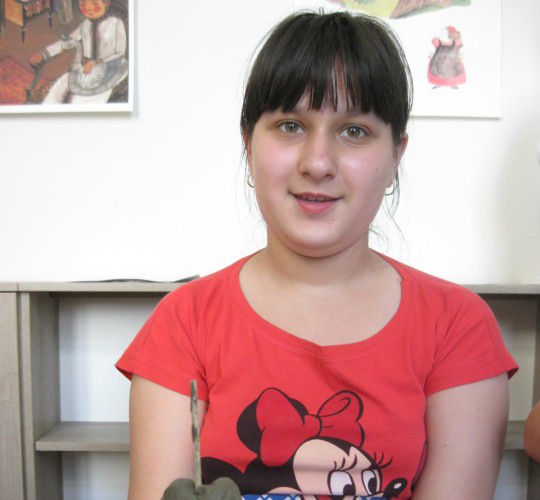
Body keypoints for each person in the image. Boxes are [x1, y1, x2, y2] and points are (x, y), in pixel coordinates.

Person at [116, 11, 518, 499]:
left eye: (354, 131)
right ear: (247, 144)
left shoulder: (457, 329)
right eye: (290, 125)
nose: (318, 163)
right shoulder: (184, 323)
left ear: (396, 155)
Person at [29, 0, 128, 104]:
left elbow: (120, 53)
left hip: (112, 68)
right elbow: (68, 42)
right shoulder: (85, 25)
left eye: (94, 4)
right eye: (83, 5)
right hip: (89, 70)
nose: (88, 9)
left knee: (82, 100)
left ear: (106, 3)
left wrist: (96, 62)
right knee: (60, 86)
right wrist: (44, 53)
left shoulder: (116, 24)